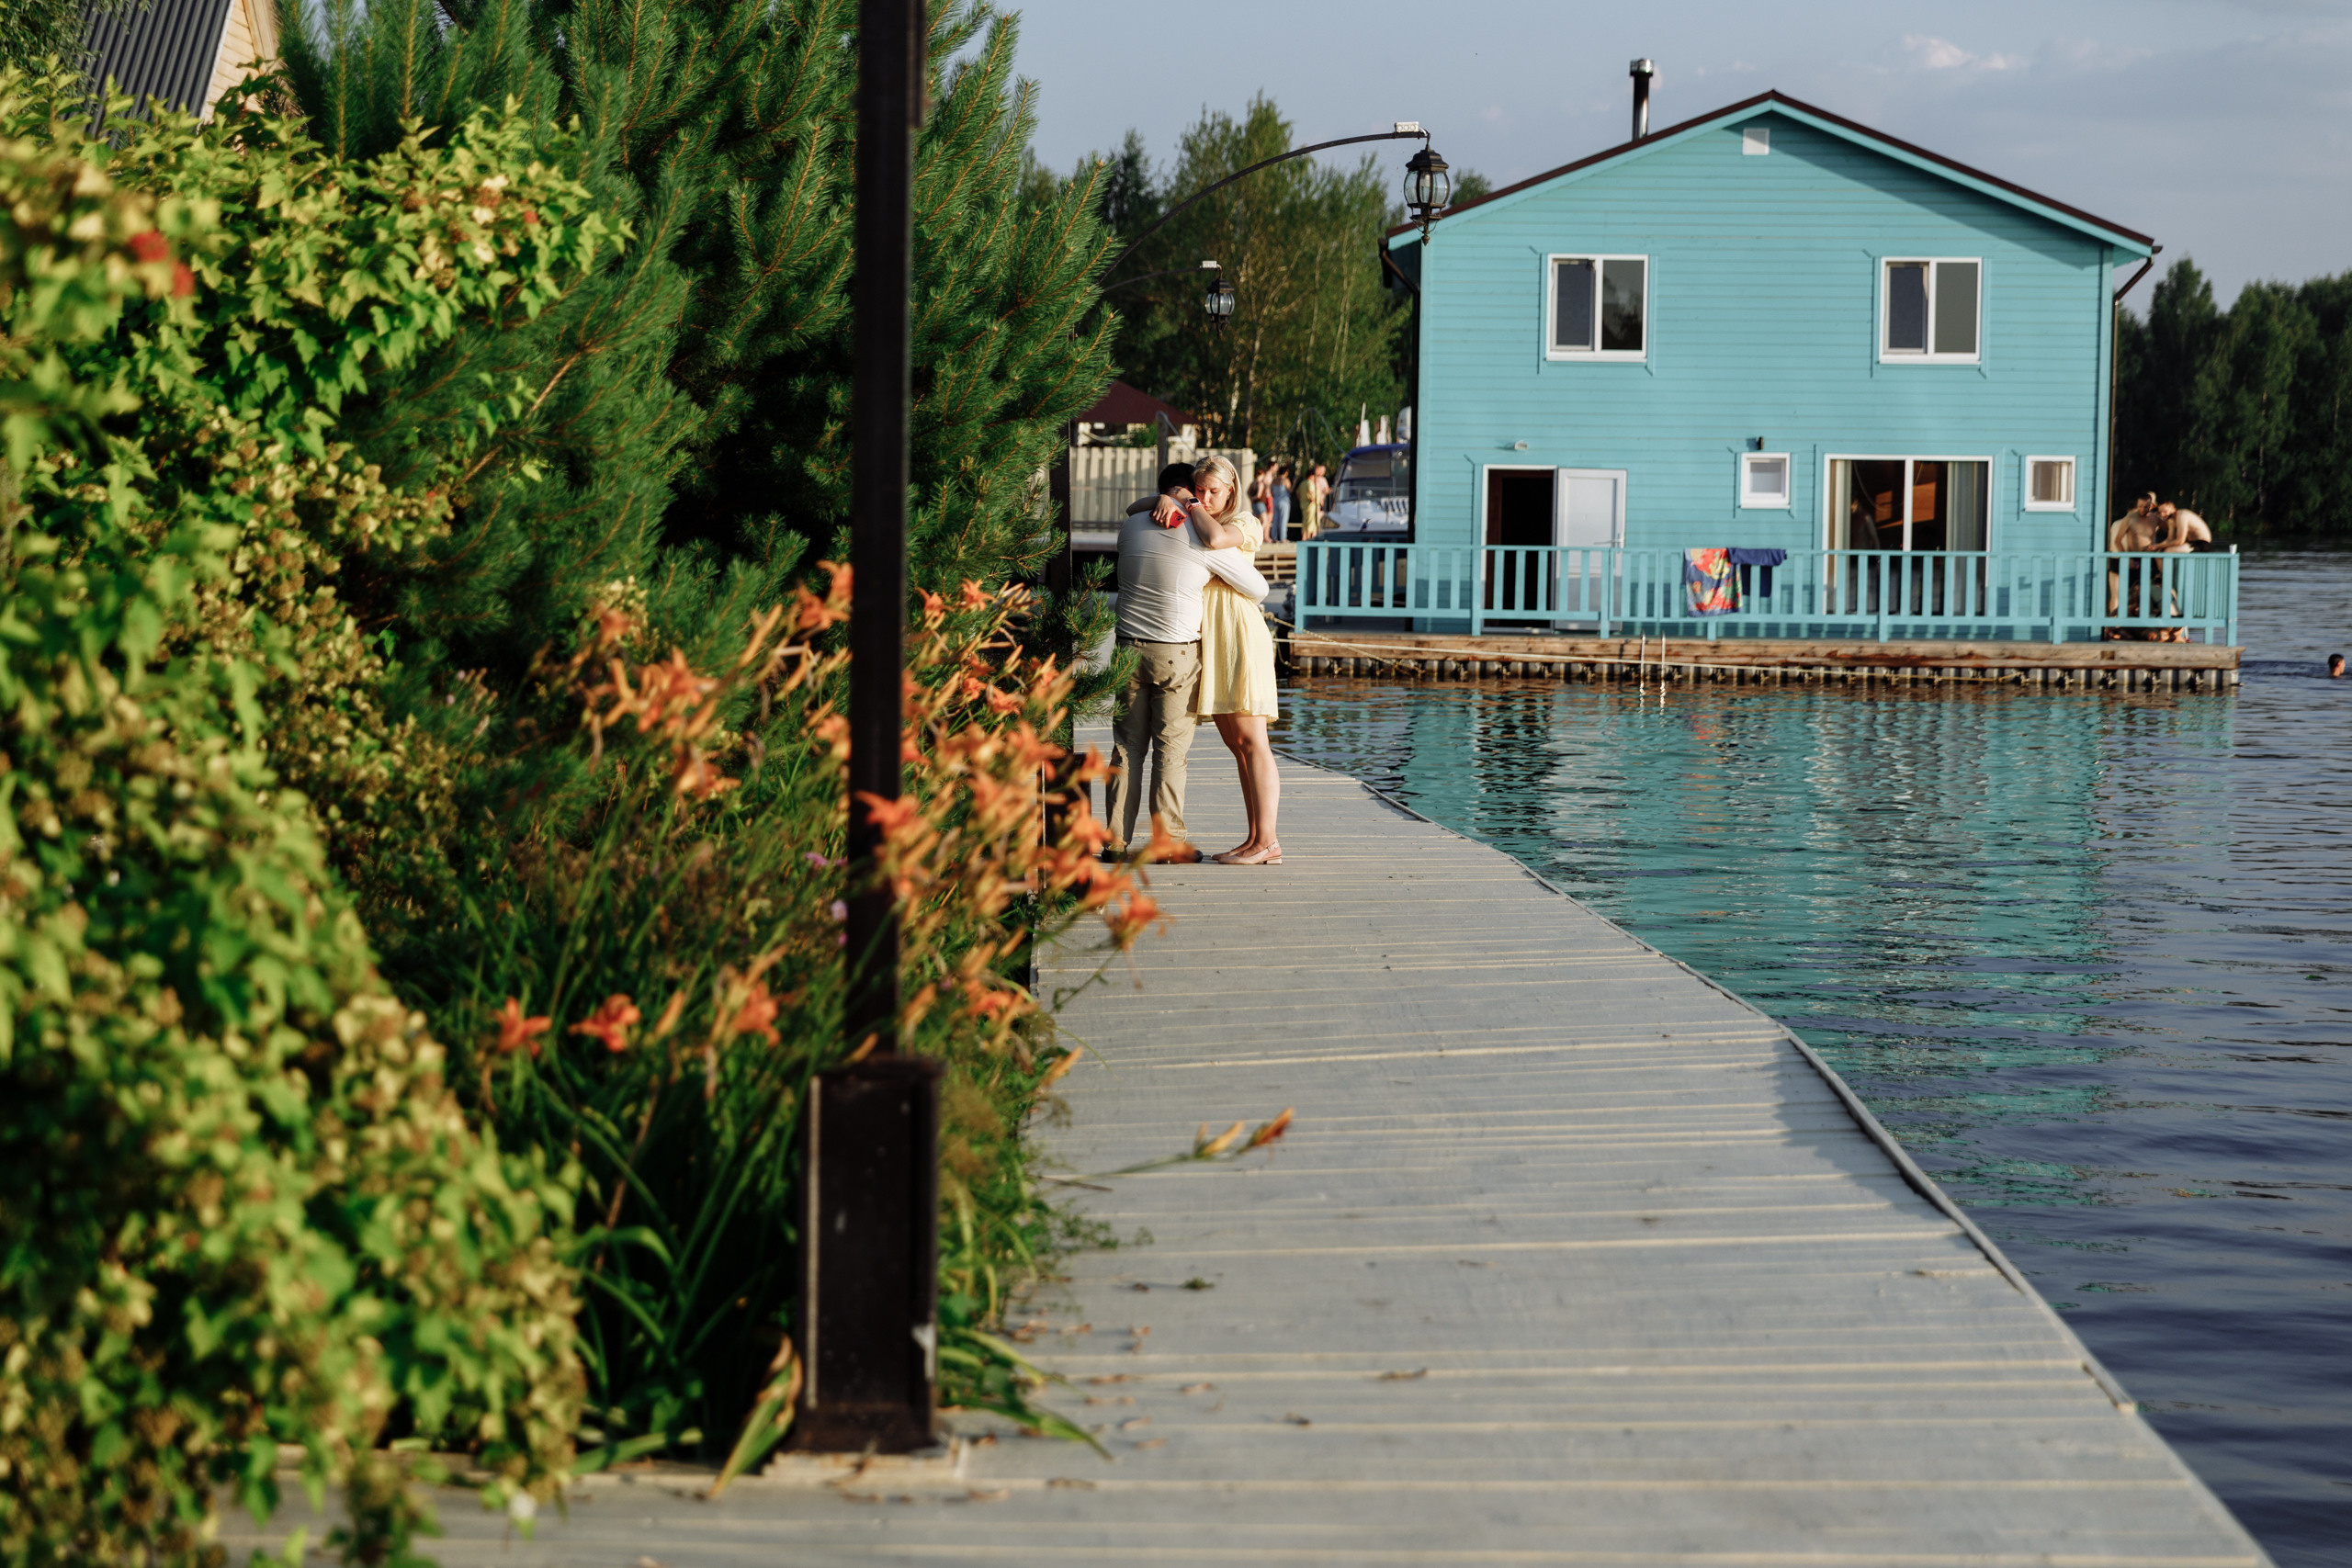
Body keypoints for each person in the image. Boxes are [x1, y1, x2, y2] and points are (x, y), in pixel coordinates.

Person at [1107, 462, 1271, 860]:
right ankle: (1168, 844)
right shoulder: (1196, 537)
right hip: (1175, 654)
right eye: (1199, 492)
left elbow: (1133, 508)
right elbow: (1258, 588)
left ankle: (1113, 842)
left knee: (1126, 749)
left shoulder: (1130, 527)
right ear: (1189, 495)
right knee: (1169, 750)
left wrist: (1163, 498)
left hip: (1127, 647)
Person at [1301, 462, 1329, 538]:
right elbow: (1310, 492)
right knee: (1311, 522)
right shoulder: (1310, 481)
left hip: (1316, 503)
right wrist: (1314, 501)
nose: (1322, 472)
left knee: (1312, 521)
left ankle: (1312, 536)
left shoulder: (1321, 480)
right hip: (1313, 504)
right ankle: (1311, 537)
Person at [1269, 464, 1293, 543]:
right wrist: (1295, 481)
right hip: (1284, 501)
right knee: (1283, 520)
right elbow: (1291, 490)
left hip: (1275, 501)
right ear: (1285, 472)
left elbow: (1271, 492)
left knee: (1275, 520)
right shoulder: (1286, 480)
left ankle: (1274, 538)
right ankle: (1283, 538)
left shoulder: (1274, 480)